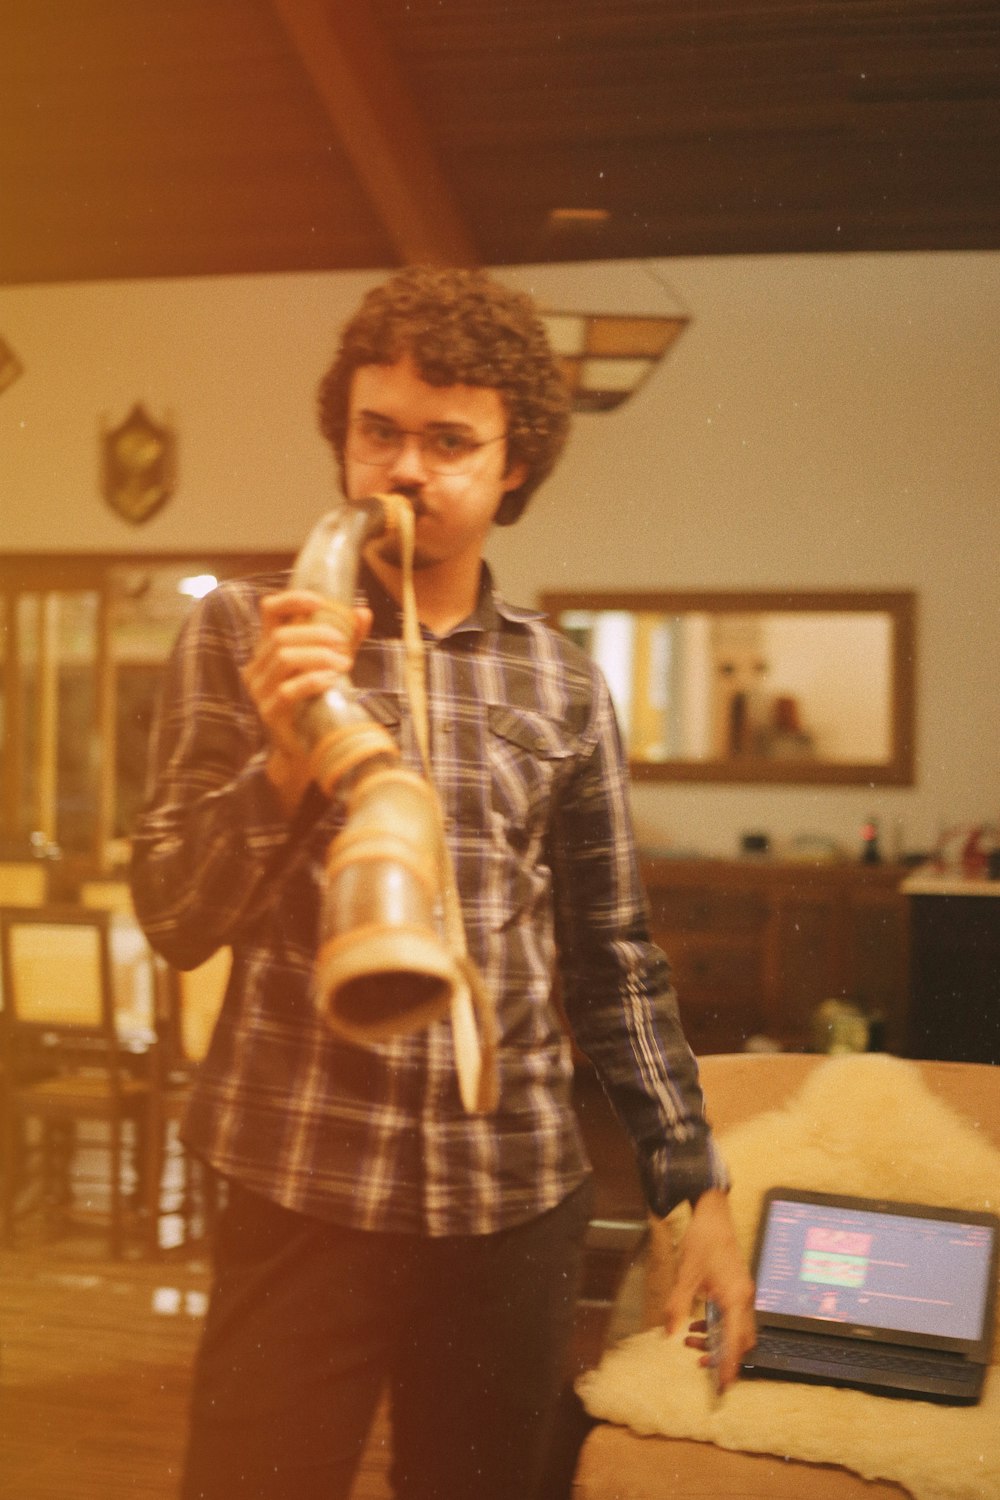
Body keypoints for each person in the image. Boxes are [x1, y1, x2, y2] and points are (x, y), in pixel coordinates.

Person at [130, 265, 755, 1500]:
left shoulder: (563, 684)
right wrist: (282, 764)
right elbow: (174, 916)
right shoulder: (238, 634)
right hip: (296, 1183)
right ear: (344, 438)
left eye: (449, 442)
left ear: (513, 465)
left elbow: (612, 957)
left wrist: (700, 1194)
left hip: (513, 1203)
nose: (405, 471)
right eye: (379, 432)